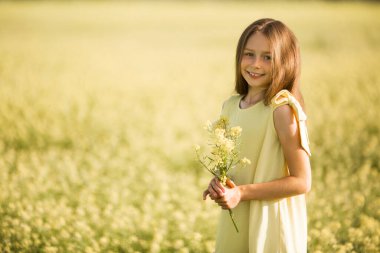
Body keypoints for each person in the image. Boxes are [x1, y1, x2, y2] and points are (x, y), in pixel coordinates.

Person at [202, 18, 312, 253]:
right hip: (236, 222)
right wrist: (221, 185)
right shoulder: (230, 106)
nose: (255, 64)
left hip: (270, 225)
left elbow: (302, 181)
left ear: (285, 61)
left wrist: (241, 192)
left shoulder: (281, 109)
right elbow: (237, 168)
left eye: (267, 57)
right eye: (249, 54)